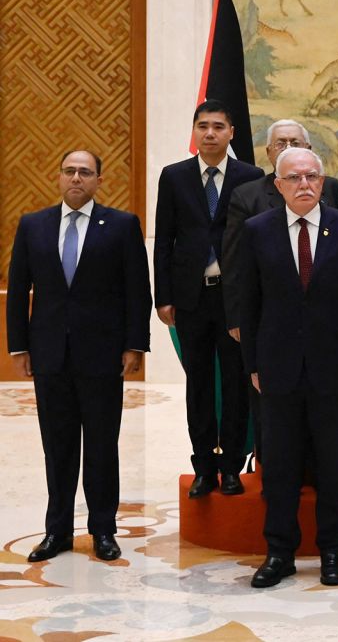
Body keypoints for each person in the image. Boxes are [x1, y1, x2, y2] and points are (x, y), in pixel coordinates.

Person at [237, 149, 338, 589]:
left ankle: (334, 551)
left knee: (334, 468)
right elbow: (248, 303)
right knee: (279, 468)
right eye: (293, 177)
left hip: (335, 371)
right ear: (277, 185)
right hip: (277, 371)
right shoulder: (256, 231)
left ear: (322, 183)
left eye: (312, 176)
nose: (303, 184)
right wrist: (253, 365)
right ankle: (279, 553)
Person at [8, 151, 150, 563]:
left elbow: (136, 290)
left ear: (99, 181)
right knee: (58, 446)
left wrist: (134, 345)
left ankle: (103, 530)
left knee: (103, 445)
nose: (76, 178)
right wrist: (19, 346)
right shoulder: (33, 225)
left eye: (85, 172)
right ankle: (58, 532)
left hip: (103, 355)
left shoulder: (122, 226)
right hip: (50, 354)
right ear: (58, 177)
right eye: (69, 171)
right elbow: (18, 290)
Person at [154, 99, 265, 498]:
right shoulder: (174, 177)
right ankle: (203, 465)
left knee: (235, 384)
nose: (210, 133)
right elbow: (163, 240)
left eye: (219, 126)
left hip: (234, 299)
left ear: (231, 133)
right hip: (190, 297)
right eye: (203, 126)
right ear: (194, 131)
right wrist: (162, 296)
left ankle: (232, 465)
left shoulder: (250, 176)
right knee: (198, 383)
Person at [221, 119, 338, 476]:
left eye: (296, 141)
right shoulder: (248, 195)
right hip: (273, 326)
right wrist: (238, 320)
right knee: (272, 415)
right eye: (280, 142)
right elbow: (234, 266)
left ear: (309, 150)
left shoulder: (330, 190)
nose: (288, 147)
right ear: (270, 152)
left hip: (324, 325)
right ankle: (272, 468)